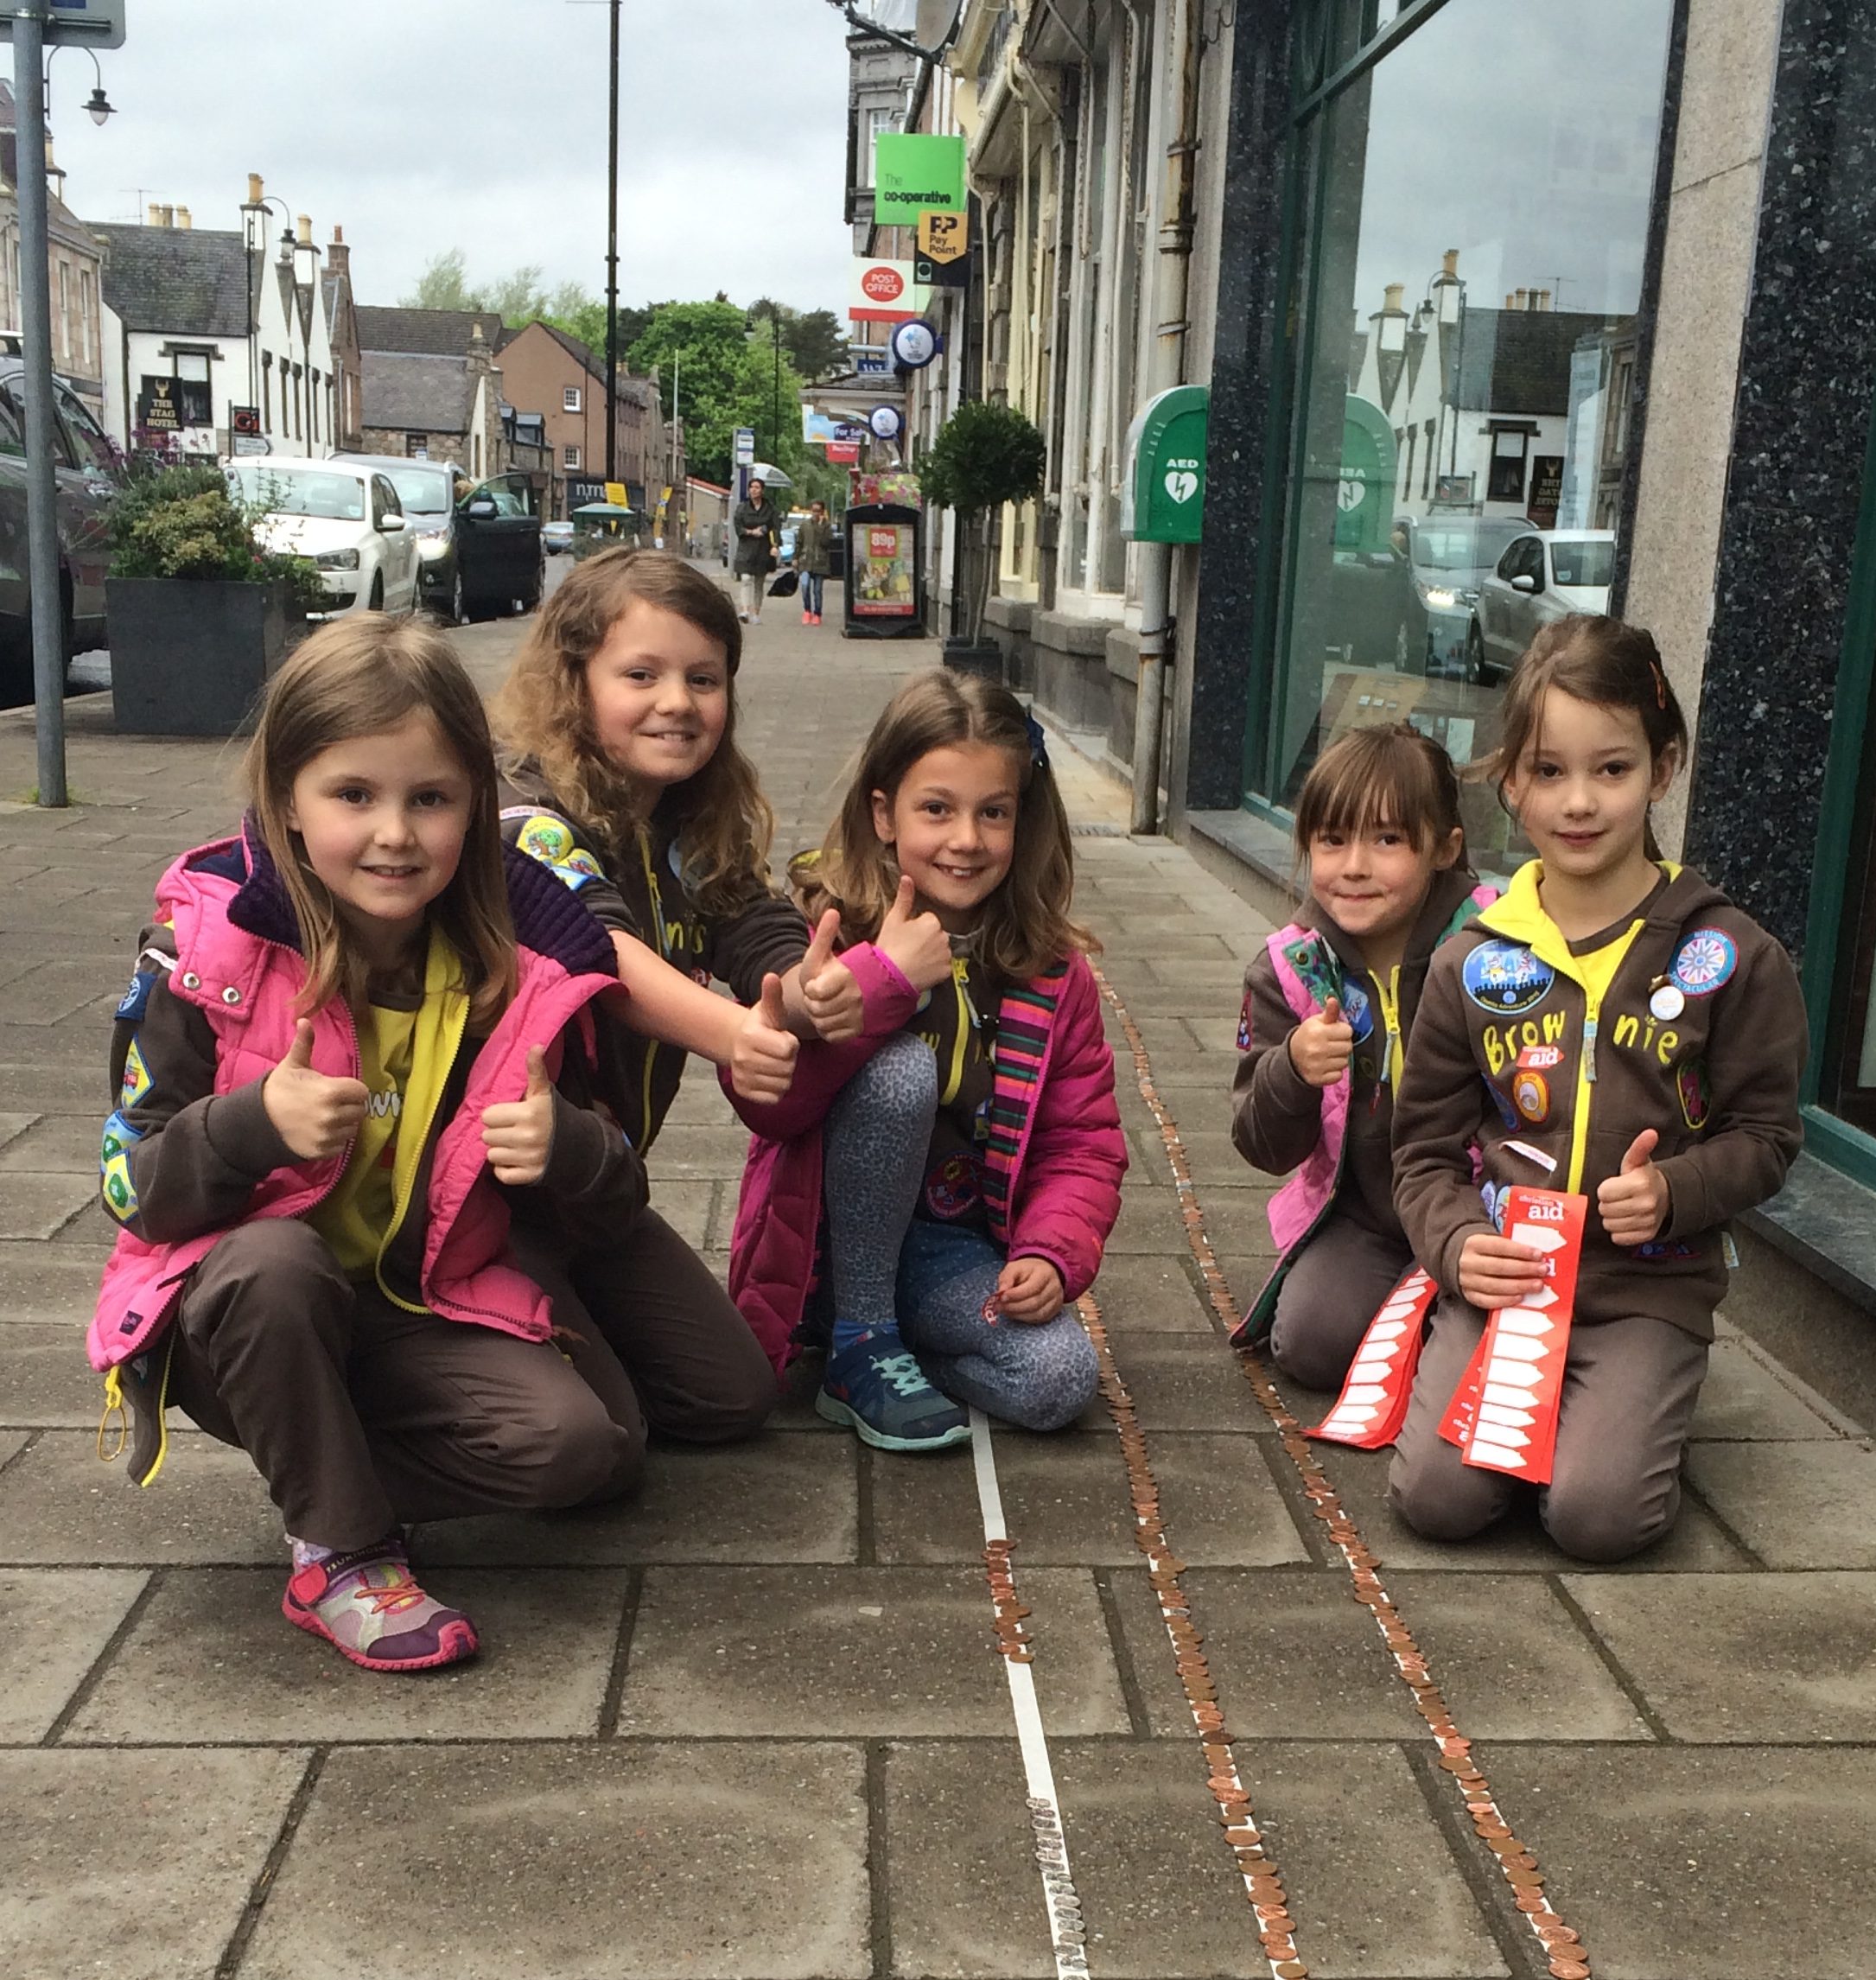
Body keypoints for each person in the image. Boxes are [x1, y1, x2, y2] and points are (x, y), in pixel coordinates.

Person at [89, 614, 650, 1674]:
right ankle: (340, 1551)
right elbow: (130, 1187)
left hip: (415, 1305)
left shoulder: (516, 976)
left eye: (430, 798)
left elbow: (617, 1195)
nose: (395, 833)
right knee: (275, 1261)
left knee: (588, 1453)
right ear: (286, 803)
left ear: (474, 805)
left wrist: (569, 1148)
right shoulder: (200, 956)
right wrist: (250, 1126)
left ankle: (320, 1464)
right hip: (241, 1314)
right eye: (353, 795)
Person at [1389, 614, 1807, 1562]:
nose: (1578, 802)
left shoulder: (1733, 955)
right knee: (1436, 1503)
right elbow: (1421, 1153)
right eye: (1548, 771)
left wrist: (1677, 1192)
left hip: (1647, 1294)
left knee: (1599, 1520)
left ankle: (1632, 1405)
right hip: (1509, 1281)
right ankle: (1492, 1368)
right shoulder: (1470, 961)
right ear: (1509, 781)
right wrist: (1457, 1246)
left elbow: (1767, 1136)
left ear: (1663, 769)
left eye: (1611, 769)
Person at [727, 670, 1127, 1448]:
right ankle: (860, 1337)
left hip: (949, 1255)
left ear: (1023, 819)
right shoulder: (826, 933)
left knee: (1060, 1379)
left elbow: (1083, 1140)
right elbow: (768, 1103)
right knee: (901, 1069)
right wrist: (882, 980)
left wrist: (1050, 1252)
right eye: (937, 809)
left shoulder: (1049, 970)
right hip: (822, 1250)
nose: (966, 839)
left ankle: (896, 1348)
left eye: (993, 812)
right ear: (884, 814)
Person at [493, 549, 836, 1448]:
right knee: (597, 1439)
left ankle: (567, 1329)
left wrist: (812, 988)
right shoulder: (525, 814)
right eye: (640, 675)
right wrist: (737, 1034)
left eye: (703, 678)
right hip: (495, 1194)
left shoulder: (683, 816)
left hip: (597, 1184)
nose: (677, 702)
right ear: (574, 681)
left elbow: (753, 922)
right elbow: (599, 949)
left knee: (731, 1398)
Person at [1230, 723, 1485, 1390]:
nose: (1354, 866)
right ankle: (1418, 1317)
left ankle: (1440, 1322)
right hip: (1361, 1215)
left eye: (1388, 839)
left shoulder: (1495, 952)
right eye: (1332, 839)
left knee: (1481, 1339)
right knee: (1310, 1342)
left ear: (1445, 847)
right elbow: (1260, 1143)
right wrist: (1292, 1069)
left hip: (1475, 1205)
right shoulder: (1290, 970)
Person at [730, 476, 774, 623]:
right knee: (746, 579)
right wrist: (751, 532)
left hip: (762, 550)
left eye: (757, 487)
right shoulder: (742, 508)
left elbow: (774, 526)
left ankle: (756, 613)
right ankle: (744, 611)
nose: (754, 490)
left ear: (762, 490)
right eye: (752, 487)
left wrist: (775, 545)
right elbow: (738, 527)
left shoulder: (769, 509)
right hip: (746, 549)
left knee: (759, 583)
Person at [795, 500, 832, 626]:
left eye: (818, 511)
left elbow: (826, 543)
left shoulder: (827, 526)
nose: (816, 513)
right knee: (805, 586)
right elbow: (799, 542)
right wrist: (795, 558)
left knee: (817, 590)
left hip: (820, 562)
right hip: (806, 561)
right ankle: (807, 610)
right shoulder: (805, 525)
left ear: (822, 512)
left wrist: (820, 526)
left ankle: (817, 613)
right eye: (814, 510)